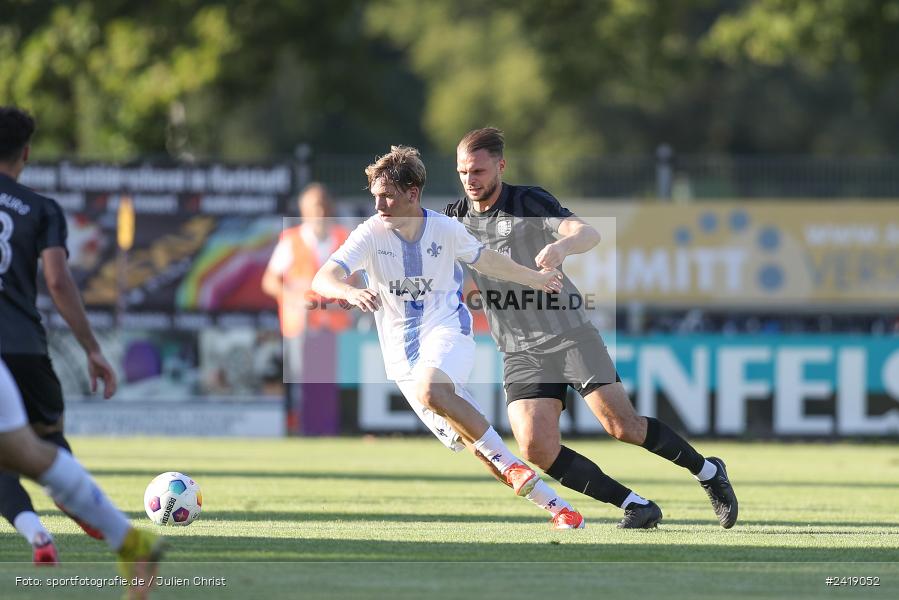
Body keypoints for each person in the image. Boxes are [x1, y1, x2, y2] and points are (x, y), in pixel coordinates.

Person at [445, 127, 737, 529]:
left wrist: (562, 246)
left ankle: (708, 472)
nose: (470, 180)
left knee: (623, 427)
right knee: (535, 446)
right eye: (463, 172)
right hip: (519, 349)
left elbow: (587, 232)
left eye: (478, 170)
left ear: (500, 165)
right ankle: (636, 505)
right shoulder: (454, 217)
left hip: (568, 333)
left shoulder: (528, 200)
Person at [312, 145, 585, 529]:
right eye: (375, 196)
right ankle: (558, 507)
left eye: (387, 195)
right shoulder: (369, 233)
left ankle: (515, 469)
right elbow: (322, 277)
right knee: (475, 443)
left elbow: (489, 260)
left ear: (413, 192)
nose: (379, 205)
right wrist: (348, 291)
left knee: (432, 391)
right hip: (399, 356)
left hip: (447, 329)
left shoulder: (445, 229)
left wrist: (535, 279)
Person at [0, 106, 125, 560]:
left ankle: (37, 530)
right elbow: (56, 281)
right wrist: (92, 348)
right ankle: (79, 499)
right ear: (26, 153)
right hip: (23, 346)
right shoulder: (41, 209)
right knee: (48, 440)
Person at [0, 355, 163, 595]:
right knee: (33, 446)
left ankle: (126, 538)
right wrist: (91, 348)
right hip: (30, 353)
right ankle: (124, 535)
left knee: (23, 453)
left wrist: (92, 349)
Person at [262, 183, 352, 435]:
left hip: (334, 326)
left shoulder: (344, 238)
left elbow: (356, 278)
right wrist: (292, 297)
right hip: (299, 326)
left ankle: (333, 430)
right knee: (302, 385)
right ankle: (300, 430)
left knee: (333, 387)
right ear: (304, 211)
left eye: (324, 205)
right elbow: (269, 281)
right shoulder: (291, 240)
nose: (320, 212)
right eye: (314, 207)